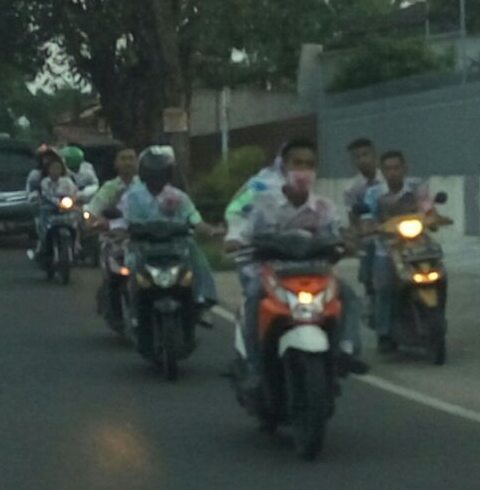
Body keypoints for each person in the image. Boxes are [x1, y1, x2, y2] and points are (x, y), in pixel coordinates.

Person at [226, 138, 368, 391]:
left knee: (348, 295)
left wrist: (349, 242)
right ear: (284, 166)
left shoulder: (324, 207)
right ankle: (255, 368)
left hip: (315, 273)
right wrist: (234, 240)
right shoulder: (263, 202)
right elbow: (241, 227)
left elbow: (338, 233)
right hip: (271, 273)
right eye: (297, 163)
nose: (303, 170)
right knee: (253, 300)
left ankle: (346, 350)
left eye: (309, 165)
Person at [114, 146, 220, 345]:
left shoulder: (178, 196)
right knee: (128, 268)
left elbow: (193, 216)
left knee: (196, 256)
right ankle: (133, 313)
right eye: (153, 175)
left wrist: (206, 228)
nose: (157, 180)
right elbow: (120, 218)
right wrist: (117, 229)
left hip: (176, 245)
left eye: (161, 175)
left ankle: (202, 301)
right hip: (141, 246)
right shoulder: (132, 196)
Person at [362, 150, 451, 351]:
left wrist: (435, 219)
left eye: (397, 168)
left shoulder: (417, 188)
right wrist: (370, 227)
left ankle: (438, 316)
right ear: (382, 171)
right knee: (384, 286)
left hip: (418, 245)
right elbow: (367, 218)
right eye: (388, 169)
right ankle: (383, 332)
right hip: (387, 247)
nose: (393, 172)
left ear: (404, 168)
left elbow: (428, 210)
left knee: (441, 276)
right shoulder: (374, 193)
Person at [86, 146, 138, 324]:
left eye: (131, 158)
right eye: (123, 158)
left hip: (143, 238)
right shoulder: (110, 188)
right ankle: (114, 307)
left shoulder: (146, 186)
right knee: (115, 273)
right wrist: (92, 222)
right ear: (116, 163)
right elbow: (92, 211)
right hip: (115, 239)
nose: (128, 162)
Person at [341, 138, 386, 304]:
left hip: (395, 231)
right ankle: (370, 293)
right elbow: (353, 217)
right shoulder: (352, 188)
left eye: (365, 155)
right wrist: (359, 232)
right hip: (370, 235)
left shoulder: (389, 178)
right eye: (357, 157)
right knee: (367, 248)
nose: (362, 160)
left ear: (375, 155)